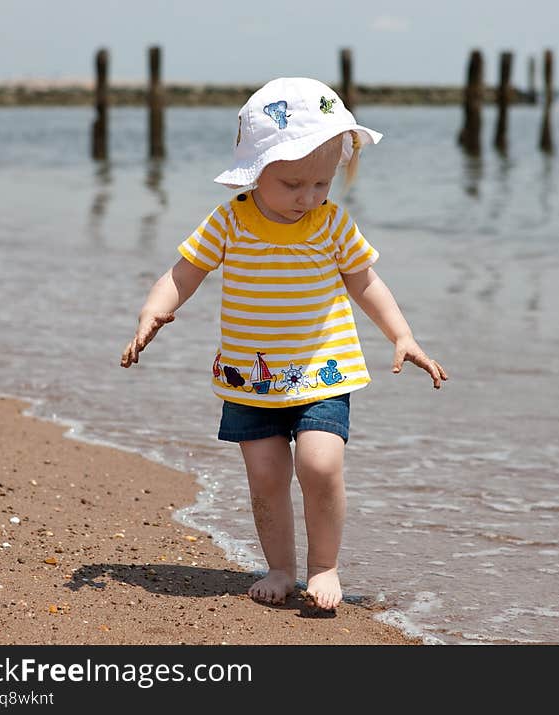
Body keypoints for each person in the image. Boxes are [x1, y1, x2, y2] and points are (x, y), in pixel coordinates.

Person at [121, 77, 447, 611]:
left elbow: (366, 283)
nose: (309, 197)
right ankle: (280, 567)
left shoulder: (332, 224)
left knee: (319, 465)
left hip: (324, 370)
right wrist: (154, 310)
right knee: (266, 475)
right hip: (248, 379)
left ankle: (325, 566)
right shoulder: (229, 222)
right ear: (255, 170)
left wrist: (403, 335)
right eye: (294, 183)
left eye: (321, 183)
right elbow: (183, 273)